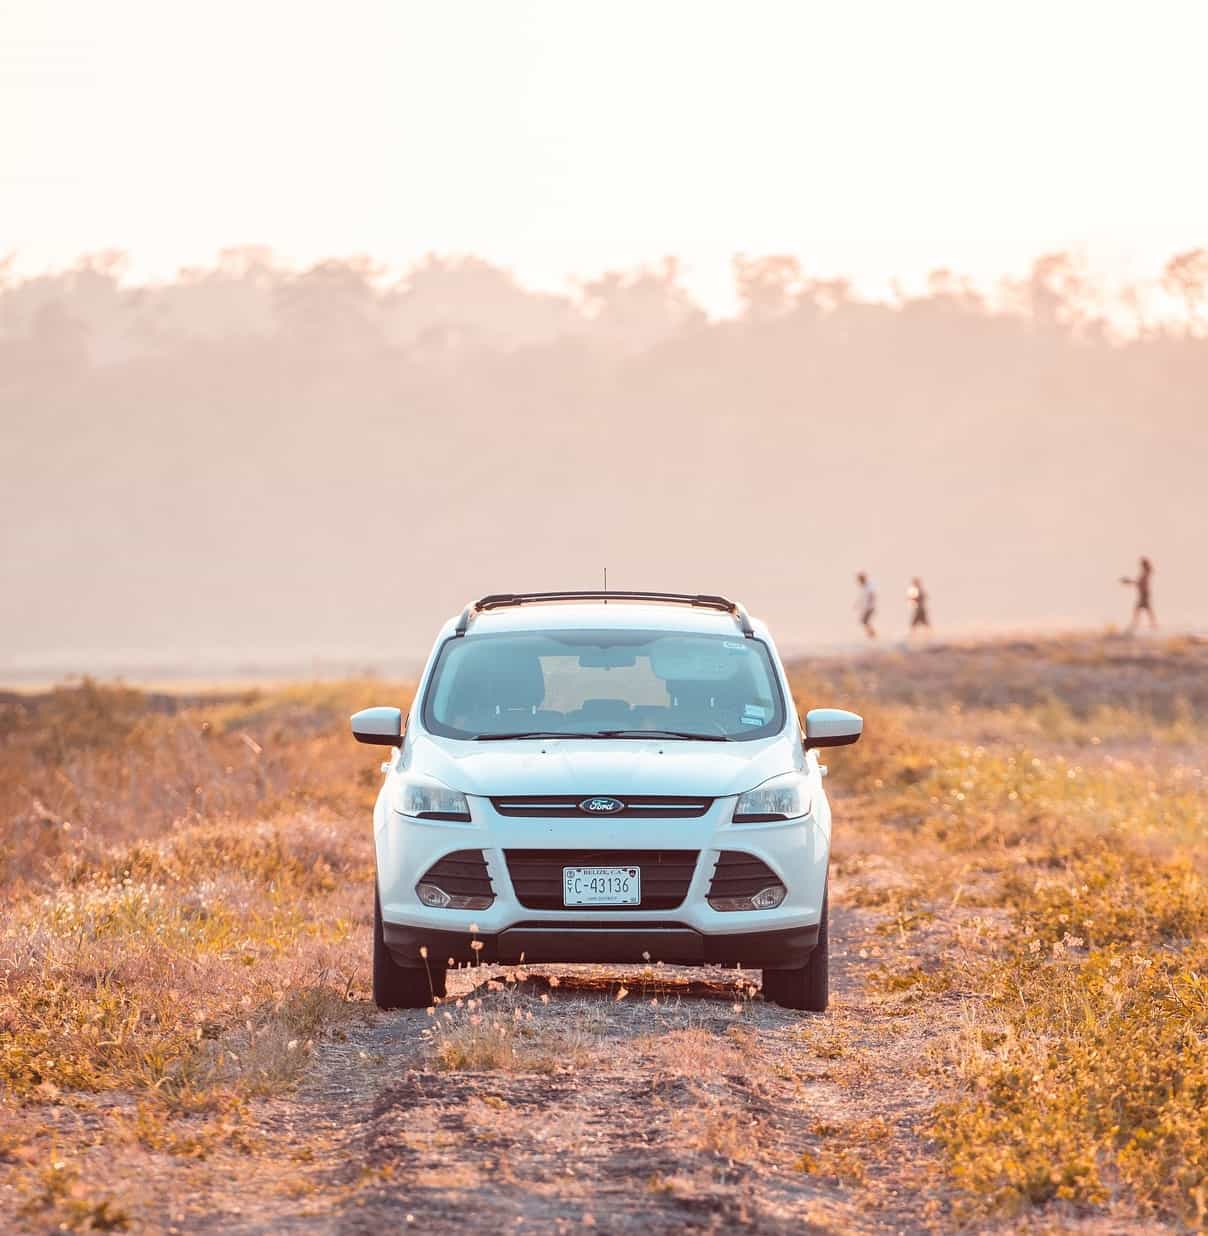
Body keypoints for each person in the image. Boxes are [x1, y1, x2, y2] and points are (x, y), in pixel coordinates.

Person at [1120, 557, 1156, 633]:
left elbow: (1140, 583)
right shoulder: (1145, 573)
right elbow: (1138, 583)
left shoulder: (1145, 574)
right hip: (1144, 594)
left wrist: (1128, 581)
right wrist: (1129, 582)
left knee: (1140, 609)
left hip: (1144, 594)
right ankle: (1152, 625)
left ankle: (1136, 625)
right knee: (1145, 610)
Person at [855, 572, 877, 638]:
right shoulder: (864, 587)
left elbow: (872, 595)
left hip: (870, 607)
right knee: (864, 621)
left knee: (864, 621)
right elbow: (863, 597)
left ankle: (872, 634)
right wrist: (858, 604)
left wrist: (870, 604)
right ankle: (871, 634)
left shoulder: (869, 586)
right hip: (867, 607)